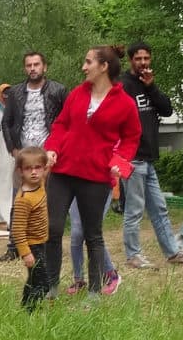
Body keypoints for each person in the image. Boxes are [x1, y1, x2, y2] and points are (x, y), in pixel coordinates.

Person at [45, 44, 141, 297]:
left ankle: (94, 296)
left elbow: (132, 138)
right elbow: (61, 124)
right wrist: (52, 148)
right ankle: (50, 289)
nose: (83, 67)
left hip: (96, 177)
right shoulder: (77, 93)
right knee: (53, 230)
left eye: (88, 62)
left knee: (92, 236)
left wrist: (119, 164)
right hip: (63, 172)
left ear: (104, 66)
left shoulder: (125, 104)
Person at [0, 52, 70, 261]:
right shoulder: (17, 92)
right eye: (29, 65)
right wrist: (13, 149)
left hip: (48, 156)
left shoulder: (58, 90)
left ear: (44, 67)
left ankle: (46, 245)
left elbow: (68, 121)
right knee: (19, 200)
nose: (33, 68)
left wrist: (58, 149)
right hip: (23, 155)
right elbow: (6, 122)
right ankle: (14, 246)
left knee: (47, 202)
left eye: (36, 64)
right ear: (24, 69)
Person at [118, 42, 183, 268]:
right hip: (131, 157)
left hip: (148, 157)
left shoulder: (148, 85)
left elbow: (167, 110)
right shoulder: (123, 85)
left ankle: (172, 252)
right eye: (139, 59)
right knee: (135, 209)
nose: (143, 63)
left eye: (146, 58)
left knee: (159, 207)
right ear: (131, 61)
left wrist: (151, 87)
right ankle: (133, 255)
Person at [10, 148, 55, 310]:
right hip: (32, 247)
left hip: (40, 242)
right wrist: (26, 253)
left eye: (38, 168)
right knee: (43, 284)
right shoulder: (24, 199)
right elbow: (17, 229)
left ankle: (25, 308)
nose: (34, 172)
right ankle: (31, 309)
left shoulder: (40, 184)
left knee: (33, 280)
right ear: (20, 171)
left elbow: (46, 168)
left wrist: (49, 160)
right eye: (28, 169)